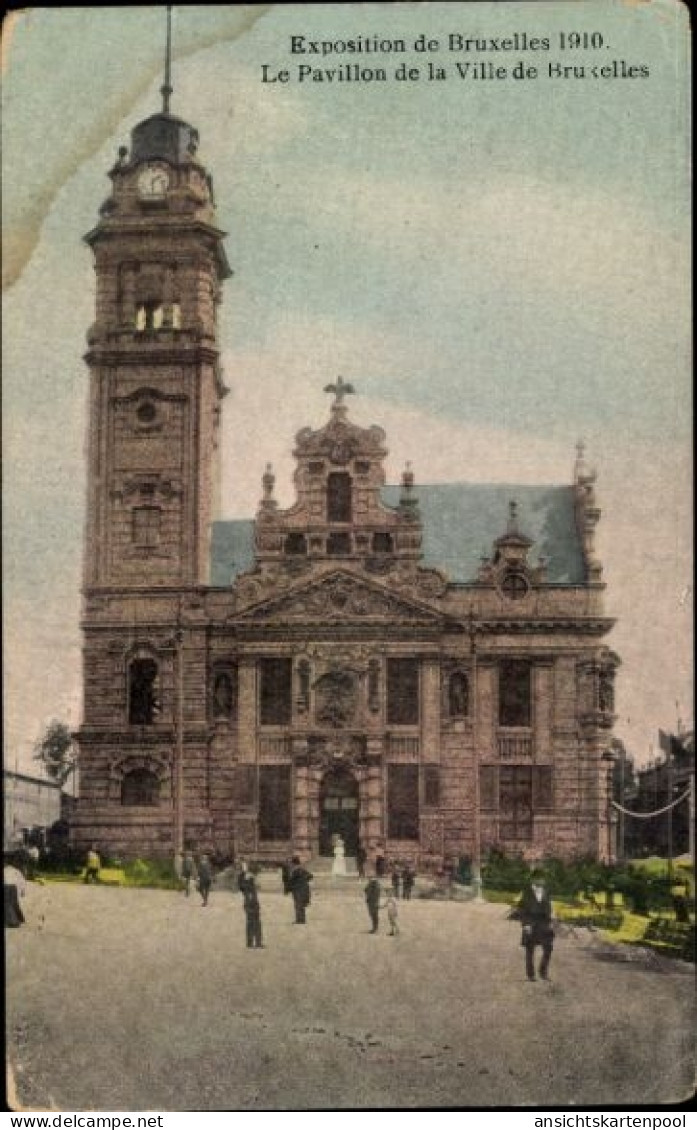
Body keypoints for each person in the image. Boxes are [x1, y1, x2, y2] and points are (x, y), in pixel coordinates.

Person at [517, 870, 554, 982]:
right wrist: (526, 924)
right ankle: (531, 974)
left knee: (548, 948)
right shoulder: (526, 892)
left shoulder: (546, 891)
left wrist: (551, 920)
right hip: (531, 923)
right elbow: (521, 909)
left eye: (543, 879)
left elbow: (548, 906)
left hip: (544, 923)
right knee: (530, 949)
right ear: (533, 879)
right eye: (538, 878)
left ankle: (543, 972)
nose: (541, 881)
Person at [238, 862, 264, 948]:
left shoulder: (246, 879)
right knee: (255, 922)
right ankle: (257, 942)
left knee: (251, 922)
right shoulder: (248, 880)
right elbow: (254, 888)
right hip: (251, 903)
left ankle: (251, 942)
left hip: (250, 902)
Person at [288, 856, 313, 924]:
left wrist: (290, 887)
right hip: (303, 888)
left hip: (298, 889)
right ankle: (301, 919)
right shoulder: (301, 869)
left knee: (298, 904)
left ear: (293, 863)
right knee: (300, 904)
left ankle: (300, 919)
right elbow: (310, 876)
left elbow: (291, 881)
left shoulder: (296, 870)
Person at [4, 854, 27, 928]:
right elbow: (21, 881)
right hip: (13, 888)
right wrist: (22, 890)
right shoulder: (16, 870)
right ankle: (18, 918)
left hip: (6, 887)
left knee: (7, 904)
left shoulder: (5, 870)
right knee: (14, 903)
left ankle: (13, 922)